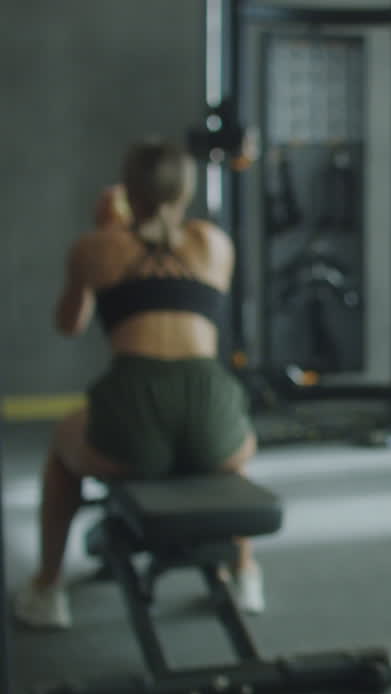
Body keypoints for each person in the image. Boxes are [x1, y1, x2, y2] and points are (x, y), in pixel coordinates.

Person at [14, 140, 263, 630]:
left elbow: (70, 323)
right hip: (210, 408)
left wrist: (108, 229)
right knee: (235, 447)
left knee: (62, 452)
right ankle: (245, 572)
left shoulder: (95, 246)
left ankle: (46, 589)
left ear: (127, 190)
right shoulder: (215, 244)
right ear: (186, 190)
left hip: (132, 410)